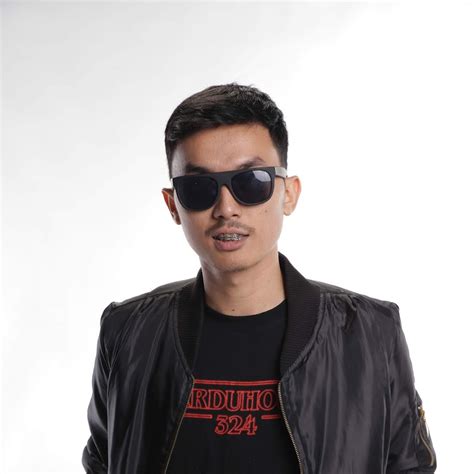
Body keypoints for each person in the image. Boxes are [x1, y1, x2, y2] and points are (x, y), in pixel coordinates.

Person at [82, 83, 437, 473]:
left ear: (289, 194)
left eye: (251, 182)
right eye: (198, 188)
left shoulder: (370, 334)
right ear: (173, 205)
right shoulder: (128, 334)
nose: (226, 208)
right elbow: (102, 461)